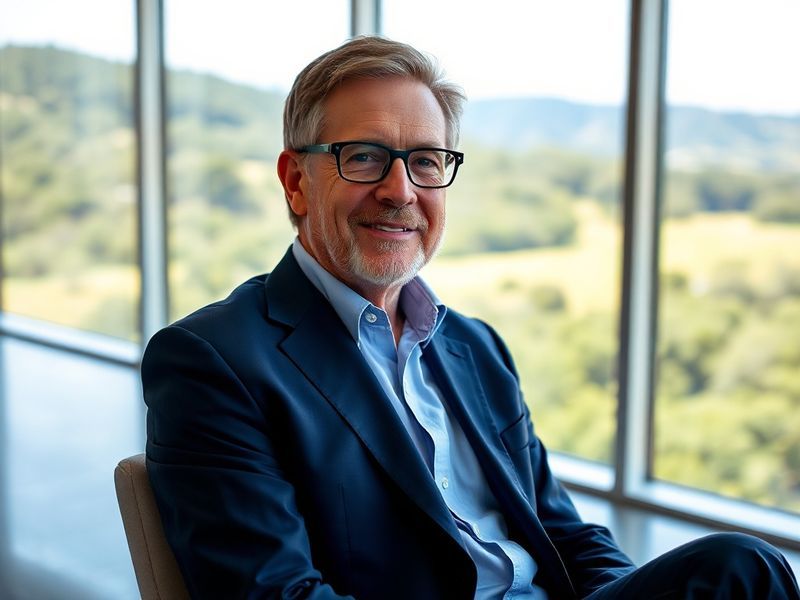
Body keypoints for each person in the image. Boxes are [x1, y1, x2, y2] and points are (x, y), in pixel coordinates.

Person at [142, 36, 800, 599]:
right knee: (743, 569)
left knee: (737, 572)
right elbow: (274, 592)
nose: (401, 191)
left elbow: (563, 534)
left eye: (425, 161)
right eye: (364, 156)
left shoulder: (474, 346)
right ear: (295, 181)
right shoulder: (213, 360)